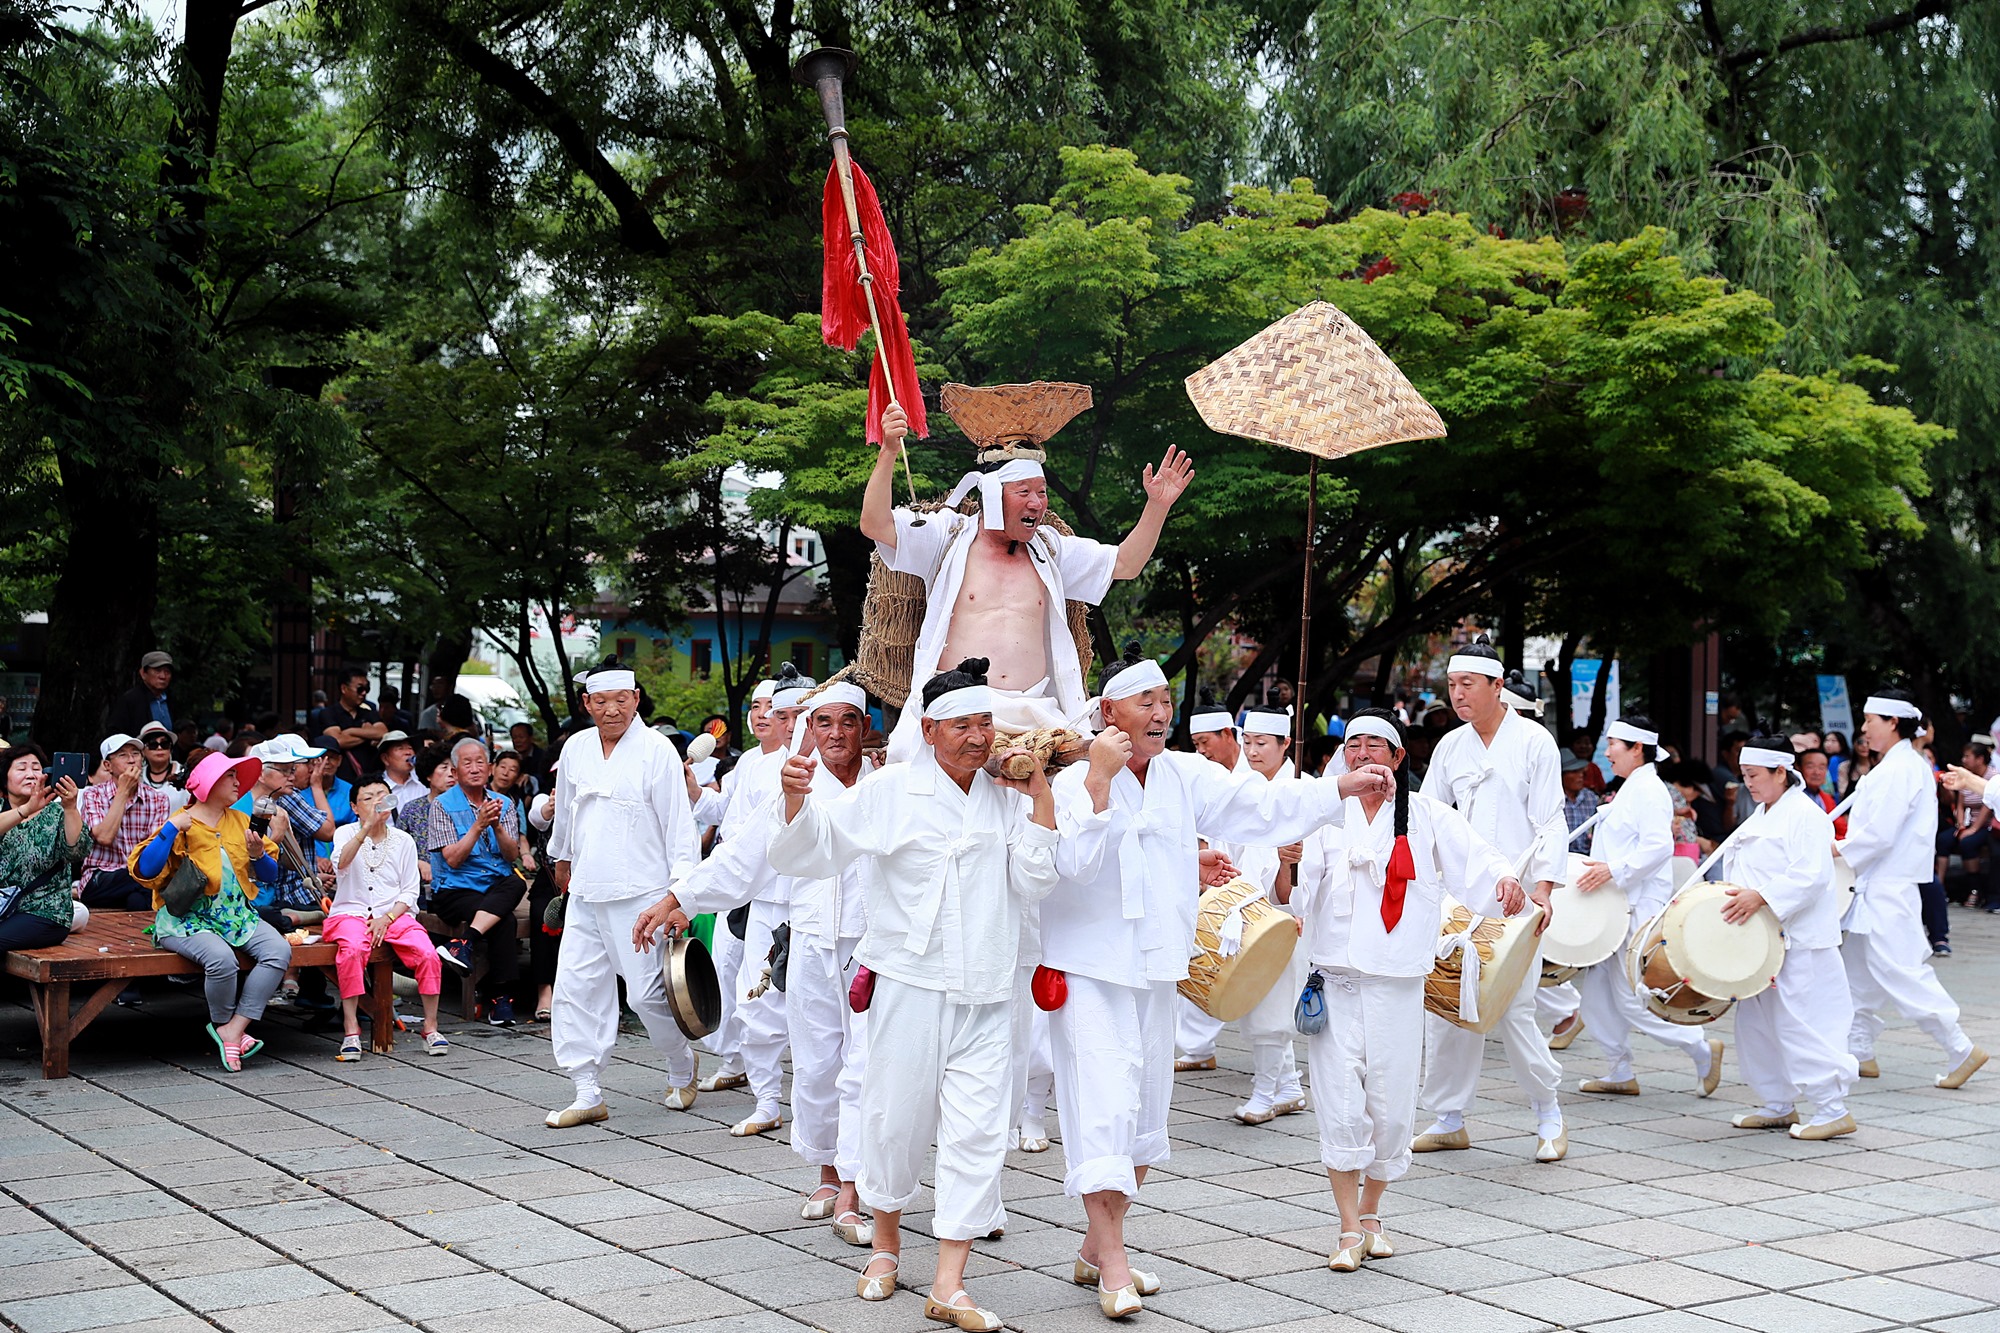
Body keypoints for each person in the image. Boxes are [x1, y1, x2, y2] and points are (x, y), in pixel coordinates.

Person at [1041, 648, 1393, 1316]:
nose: (1159, 712)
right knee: (1103, 1108)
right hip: (1090, 971)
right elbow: (1074, 865)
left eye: (1163, 701)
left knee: (1145, 1114)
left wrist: (1339, 788)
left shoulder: (1183, 773)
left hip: (1156, 968)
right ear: (1108, 712)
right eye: (1144, 701)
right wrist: (1099, 780)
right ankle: (1113, 1261)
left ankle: (1095, 1246)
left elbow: (1260, 806)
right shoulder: (1070, 781)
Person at [762, 658, 1059, 1329]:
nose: (978, 737)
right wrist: (794, 799)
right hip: (908, 985)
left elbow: (1035, 882)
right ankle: (887, 1243)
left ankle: (950, 1280)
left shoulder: (1006, 794)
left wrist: (1040, 798)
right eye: (962, 725)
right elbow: (812, 850)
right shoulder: (890, 790)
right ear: (928, 730)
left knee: (979, 1131)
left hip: (987, 989)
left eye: (985, 723)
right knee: (894, 1122)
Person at [1291, 711, 1517, 1270]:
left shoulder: (1428, 815)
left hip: (1397, 985)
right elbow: (1291, 894)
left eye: (1377, 745)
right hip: (1336, 982)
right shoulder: (1323, 816)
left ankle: (1371, 1210)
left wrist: (1505, 879)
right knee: (1341, 1106)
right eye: (1354, 745)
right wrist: (1284, 864)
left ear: (1397, 757)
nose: (1363, 753)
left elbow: (1479, 861)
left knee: (1391, 1111)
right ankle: (1348, 1226)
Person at [859, 400, 1192, 762]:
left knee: (1086, 773)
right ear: (991, 495)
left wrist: (1158, 506)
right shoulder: (947, 537)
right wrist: (889, 452)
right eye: (1024, 492)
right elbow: (875, 524)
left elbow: (1126, 563)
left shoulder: (1050, 549)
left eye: (1042, 492)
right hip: (958, 710)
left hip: (1037, 715)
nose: (1037, 503)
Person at [1413, 637, 1568, 1164]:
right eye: (1452, 684)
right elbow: (1429, 817)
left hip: (1517, 897)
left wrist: (1544, 889)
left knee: (1515, 1008)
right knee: (1447, 1004)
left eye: (1468, 684)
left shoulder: (1534, 741)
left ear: (1497, 686)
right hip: (1459, 896)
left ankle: (1548, 1112)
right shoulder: (1450, 746)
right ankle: (1449, 1118)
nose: (1457, 694)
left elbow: (1550, 820)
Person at [528, 664, 703, 1127]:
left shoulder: (657, 750)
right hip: (586, 890)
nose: (612, 710)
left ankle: (681, 1062)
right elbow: (568, 814)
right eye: (601, 701)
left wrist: (680, 897)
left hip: (643, 894)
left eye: (621, 700)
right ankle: (586, 1089)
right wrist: (562, 859)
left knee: (646, 996)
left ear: (636, 699)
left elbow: (680, 828)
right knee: (576, 988)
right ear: (587, 703)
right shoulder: (576, 747)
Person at [661, 666, 815, 1135]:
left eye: (795, 715)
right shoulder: (751, 763)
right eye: (774, 712)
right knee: (753, 998)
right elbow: (737, 832)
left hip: (819, 905)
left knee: (820, 1012)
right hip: (757, 893)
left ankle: (827, 1110)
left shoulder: (848, 767)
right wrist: (684, 897)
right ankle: (765, 1098)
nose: (782, 722)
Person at [1570, 717, 1722, 1098]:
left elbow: (1658, 848)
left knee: (1632, 998)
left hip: (1636, 908)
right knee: (1597, 996)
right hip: (1614, 906)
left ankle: (1701, 1047)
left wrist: (1611, 870)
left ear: (1637, 749)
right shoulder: (1633, 787)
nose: (1606, 753)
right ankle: (1619, 1069)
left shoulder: (1650, 790)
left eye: (1613, 745)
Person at [1839, 690, 1985, 1088]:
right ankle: (1859, 1050)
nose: (1864, 727)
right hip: (1876, 884)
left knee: (1902, 972)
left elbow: (1879, 835)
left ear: (1892, 723)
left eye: (1870, 720)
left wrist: (1835, 849)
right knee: (1856, 971)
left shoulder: (1900, 768)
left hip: (1887, 885)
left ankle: (1960, 1047)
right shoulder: (1900, 765)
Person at [1720, 736, 1859, 1138]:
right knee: (1757, 1025)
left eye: (1754, 775)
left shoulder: (1805, 814)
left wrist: (1762, 896)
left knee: (1801, 1022)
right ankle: (1777, 1102)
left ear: (1781, 772)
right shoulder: (1761, 813)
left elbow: (1811, 875)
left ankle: (1832, 1107)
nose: (1748, 782)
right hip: (1761, 940)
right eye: (1744, 775)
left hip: (1800, 940)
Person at [127, 751, 291, 1072]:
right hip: (186, 920)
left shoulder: (241, 821)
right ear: (209, 782)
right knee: (222, 960)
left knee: (279, 951)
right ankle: (223, 1025)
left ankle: (234, 1028)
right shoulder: (182, 821)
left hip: (236, 916)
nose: (238, 782)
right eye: (230, 776)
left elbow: (269, 874)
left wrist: (259, 855)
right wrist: (170, 829)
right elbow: (145, 870)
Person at [325, 776, 449, 1060]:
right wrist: (366, 828)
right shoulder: (344, 833)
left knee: (427, 953)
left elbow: (410, 890)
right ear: (355, 807)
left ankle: (431, 1027)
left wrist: (388, 917)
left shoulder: (403, 840)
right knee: (352, 950)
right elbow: (341, 863)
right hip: (351, 912)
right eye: (368, 798)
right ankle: (351, 1029)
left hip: (393, 913)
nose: (377, 802)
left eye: (382, 795)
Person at [1229, 704, 1309, 1126]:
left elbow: (1313, 866)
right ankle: (1289, 1086)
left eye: (1262, 743)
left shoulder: (1304, 790)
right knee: (1256, 999)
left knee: (1272, 1006)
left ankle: (1264, 1090)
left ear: (1285, 744)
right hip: (1247, 908)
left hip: (1288, 912)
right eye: (1247, 742)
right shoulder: (1242, 787)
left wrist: (1295, 893)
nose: (1253, 751)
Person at [427, 736, 525, 1024]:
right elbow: (453, 860)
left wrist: (497, 827)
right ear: (455, 771)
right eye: (466, 763)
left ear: (490, 768)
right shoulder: (442, 805)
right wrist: (478, 826)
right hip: (455, 889)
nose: (474, 768)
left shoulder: (503, 803)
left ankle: (464, 943)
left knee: (517, 882)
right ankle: (501, 999)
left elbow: (511, 855)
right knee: (503, 920)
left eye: (480, 762)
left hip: (494, 885)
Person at [1174, 694, 1244, 1073]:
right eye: (1195, 744)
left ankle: (1280, 1077)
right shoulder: (1199, 776)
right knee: (1199, 964)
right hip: (1212, 885)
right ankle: (1198, 1048)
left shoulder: (1251, 775)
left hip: (1252, 886)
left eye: (1205, 742)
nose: (1201, 751)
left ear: (1228, 734)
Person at [0, 745, 85, 953]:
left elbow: (76, 852)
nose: (30, 774)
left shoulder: (57, 813)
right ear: (4, 778)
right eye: (21, 768)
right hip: (3, 909)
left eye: (36, 768)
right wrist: (26, 809)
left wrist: (71, 807)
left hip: (44, 912)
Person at [77, 734, 172, 911]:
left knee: (137, 900)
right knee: (141, 884)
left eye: (135, 754)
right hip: (101, 876)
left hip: (141, 875)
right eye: (122, 755)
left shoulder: (158, 799)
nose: (131, 760)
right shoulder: (93, 795)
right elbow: (104, 837)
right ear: (108, 765)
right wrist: (122, 791)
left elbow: (154, 848)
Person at [314, 667, 388, 779]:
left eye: (367, 689)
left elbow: (383, 733)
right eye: (360, 689)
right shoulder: (329, 713)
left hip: (370, 776)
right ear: (344, 688)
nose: (364, 693)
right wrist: (368, 734)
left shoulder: (370, 713)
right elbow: (337, 741)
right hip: (340, 778)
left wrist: (350, 732)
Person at [107, 650, 175, 737]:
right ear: (143, 673)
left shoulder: (171, 701)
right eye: (157, 671)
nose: (163, 676)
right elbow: (115, 733)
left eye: (167, 672)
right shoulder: (130, 700)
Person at [1560, 754, 1599, 852]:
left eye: (1581, 771)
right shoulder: (1554, 800)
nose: (1580, 776)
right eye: (1574, 772)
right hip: (1562, 854)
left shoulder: (1590, 798)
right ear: (1561, 775)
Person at [378, 732, 424, 810]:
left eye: (410, 748)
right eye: (400, 748)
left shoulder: (423, 780)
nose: (408, 752)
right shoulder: (378, 789)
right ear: (385, 759)